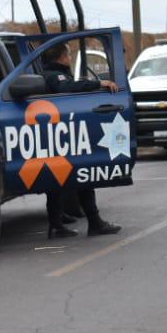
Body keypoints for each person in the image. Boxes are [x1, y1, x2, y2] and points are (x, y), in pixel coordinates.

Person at [41, 43, 122, 239]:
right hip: (61, 134)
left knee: (58, 180)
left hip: (57, 134)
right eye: (68, 55)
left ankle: (57, 224)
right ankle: (94, 223)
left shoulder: (52, 74)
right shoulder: (55, 76)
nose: (70, 59)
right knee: (84, 176)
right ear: (61, 57)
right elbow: (65, 88)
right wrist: (98, 84)